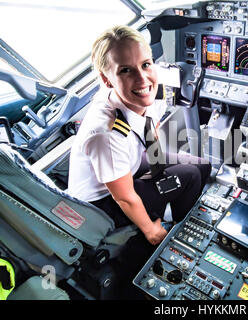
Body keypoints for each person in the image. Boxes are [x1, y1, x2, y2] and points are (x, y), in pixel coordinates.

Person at [68, 25, 210, 296]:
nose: (142, 78)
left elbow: (149, 127)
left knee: (201, 165)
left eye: (145, 64)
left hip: (127, 170)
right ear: (107, 79)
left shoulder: (141, 93)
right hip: (103, 204)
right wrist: (151, 231)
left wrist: (162, 166)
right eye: (125, 70)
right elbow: (125, 198)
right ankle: (173, 236)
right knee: (189, 177)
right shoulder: (106, 133)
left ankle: (177, 215)